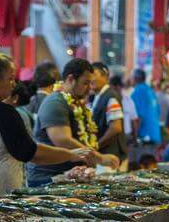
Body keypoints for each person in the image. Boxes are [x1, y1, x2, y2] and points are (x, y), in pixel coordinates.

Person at [0, 51, 95, 196]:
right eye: (10, 79)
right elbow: (31, 153)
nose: (13, 84)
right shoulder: (3, 112)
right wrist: (70, 155)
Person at [28, 59, 118, 187]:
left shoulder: (77, 103)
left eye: (90, 83)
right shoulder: (55, 102)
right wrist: (99, 158)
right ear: (70, 79)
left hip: (69, 176)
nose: (89, 89)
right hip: (48, 178)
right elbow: (63, 140)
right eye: (85, 83)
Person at [91, 62, 127, 170]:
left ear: (105, 76)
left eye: (94, 75)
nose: (90, 79)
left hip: (111, 157)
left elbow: (116, 127)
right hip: (105, 155)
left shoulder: (110, 96)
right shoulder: (99, 96)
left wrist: (96, 145)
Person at [129, 68, 161, 145]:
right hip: (155, 134)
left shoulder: (137, 92)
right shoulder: (151, 91)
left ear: (135, 79)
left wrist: (135, 138)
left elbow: (138, 116)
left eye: (131, 77)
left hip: (145, 137)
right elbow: (158, 112)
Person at [110, 75, 139, 142]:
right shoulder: (109, 100)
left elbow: (134, 120)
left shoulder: (128, 100)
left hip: (126, 136)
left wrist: (135, 138)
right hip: (113, 136)